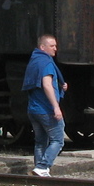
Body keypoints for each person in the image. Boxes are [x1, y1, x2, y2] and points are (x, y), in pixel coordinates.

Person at [22, 33, 68, 177]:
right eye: (52, 46)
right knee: (58, 140)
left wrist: (60, 86)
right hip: (46, 109)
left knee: (40, 142)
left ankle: (38, 170)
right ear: (42, 47)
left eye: (56, 45)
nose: (55, 49)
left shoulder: (34, 61)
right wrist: (56, 107)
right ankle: (43, 166)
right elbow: (47, 85)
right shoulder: (46, 63)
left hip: (33, 109)